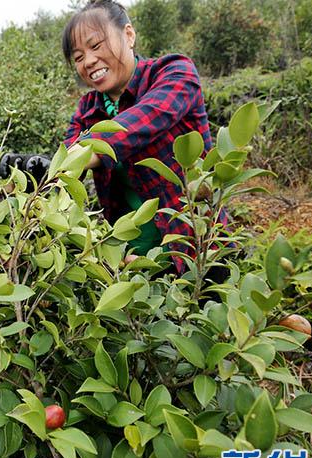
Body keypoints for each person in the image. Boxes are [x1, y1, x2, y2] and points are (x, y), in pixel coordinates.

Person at [60, 0, 227, 271]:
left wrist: (82, 153)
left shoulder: (175, 72)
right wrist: (39, 170)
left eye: (96, 45)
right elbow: (65, 163)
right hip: (133, 260)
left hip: (195, 250)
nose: (88, 61)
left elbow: (144, 120)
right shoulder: (88, 108)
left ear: (128, 35)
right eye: (78, 58)